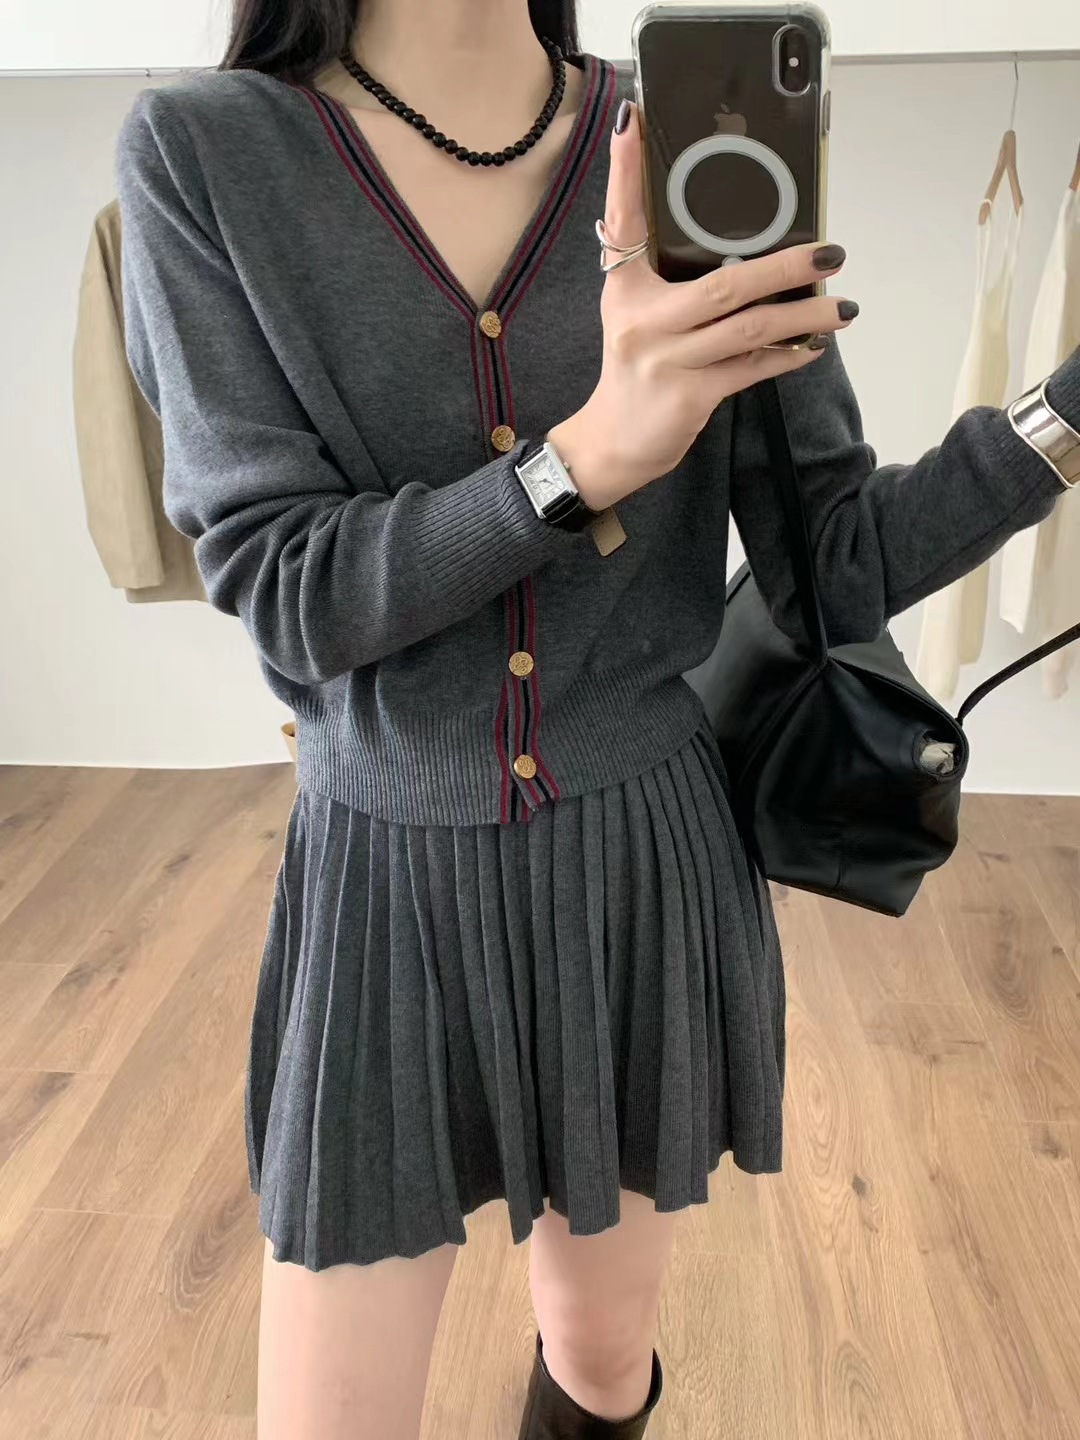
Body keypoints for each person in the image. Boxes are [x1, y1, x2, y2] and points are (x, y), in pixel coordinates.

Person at [115, 2, 1077, 1437]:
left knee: (604, 1362)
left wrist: (1065, 416)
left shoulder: (685, 139)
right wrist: (583, 459)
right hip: (389, 893)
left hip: (643, 871)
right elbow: (286, 586)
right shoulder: (206, 154)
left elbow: (833, 565)